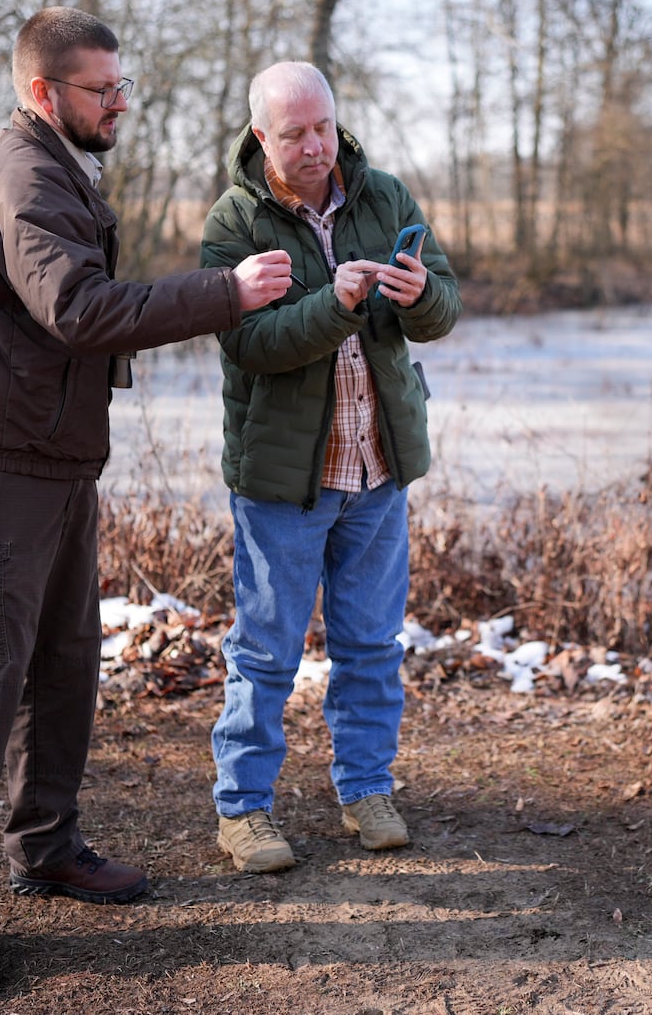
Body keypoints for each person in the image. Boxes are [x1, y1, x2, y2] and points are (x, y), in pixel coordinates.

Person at [0, 7, 293, 998]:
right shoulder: (23, 172)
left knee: (66, 666)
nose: (120, 101)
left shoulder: (57, 164)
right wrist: (227, 290)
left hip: (55, 460)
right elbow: (77, 309)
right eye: (101, 88)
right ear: (44, 93)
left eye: (121, 85)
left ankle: (47, 844)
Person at [200, 61, 460, 873]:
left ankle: (366, 788)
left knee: (372, 644)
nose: (314, 146)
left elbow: (444, 309)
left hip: (378, 469)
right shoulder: (233, 223)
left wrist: (417, 295)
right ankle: (243, 811)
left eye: (322, 127)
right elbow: (252, 343)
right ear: (260, 137)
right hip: (282, 484)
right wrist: (336, 306)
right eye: (293, 134)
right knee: (267, 651)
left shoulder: (384, 195)